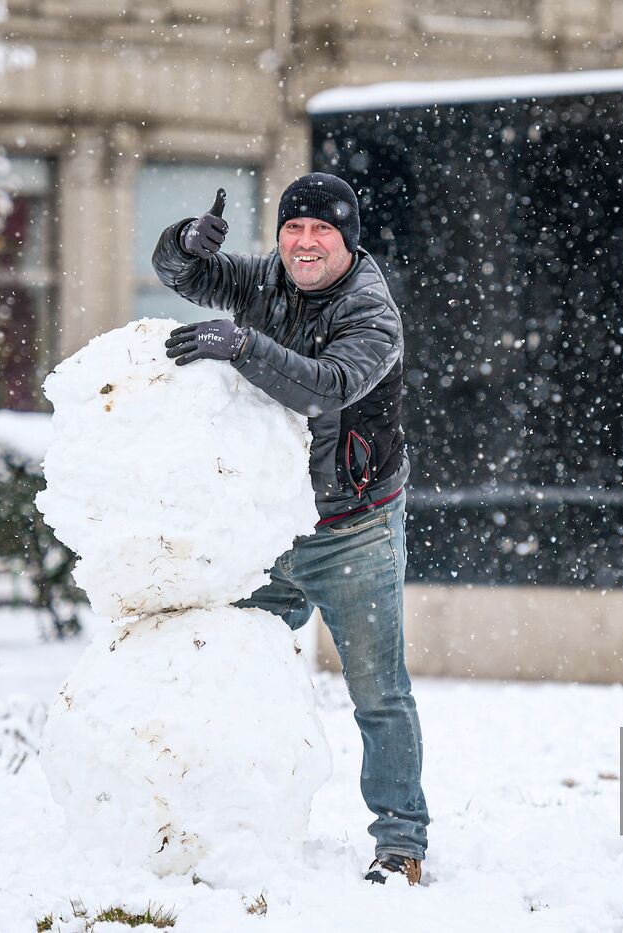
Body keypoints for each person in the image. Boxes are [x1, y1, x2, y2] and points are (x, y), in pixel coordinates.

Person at [151, 173, 428, 886]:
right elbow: (185, 276)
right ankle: (229, 825)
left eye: (322, 231)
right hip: (272, 524)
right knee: (232, 673)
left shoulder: (372, 313)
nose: (305, 243)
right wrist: (184, 244)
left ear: (347, 240)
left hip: (354, 527)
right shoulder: (267, 280)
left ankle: (400, 841)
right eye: (293, 229)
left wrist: (242, 346)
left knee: (379, 692)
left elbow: (324, 387)